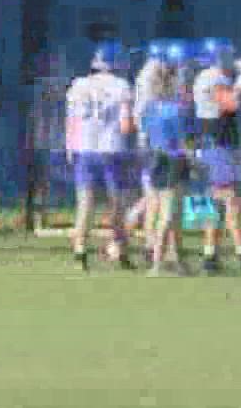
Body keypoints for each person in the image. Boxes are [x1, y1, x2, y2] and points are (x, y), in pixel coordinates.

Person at [65, 41, 137, 271]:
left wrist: (70, 146)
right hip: (112, 148)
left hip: (84, 148)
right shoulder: (121, 86)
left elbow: (72, 120)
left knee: (85, 204)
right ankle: (120, 252)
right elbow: (125, 124)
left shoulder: (79, 84)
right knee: (118, 205)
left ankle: (80, 253)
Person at [189, 37, 241, 274]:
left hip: (212, 142)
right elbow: (230, 104)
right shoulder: (211, 77)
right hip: (216, 144)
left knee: (213, 202)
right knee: (229, 199)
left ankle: (210, 254)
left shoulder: (205, 77)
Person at [141, 49, 194, 276]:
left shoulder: (149, 108)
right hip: (174, 160)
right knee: (170, 214)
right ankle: (157, 263)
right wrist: (194, 161)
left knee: (160, 211)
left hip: (155, 158)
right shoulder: (178, 110)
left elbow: (147, 134)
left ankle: (175, 260)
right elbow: (183, 141)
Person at [124, 40, 173, 237]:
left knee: (153, 195)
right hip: (152, 143)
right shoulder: (151, 76)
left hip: (152, 141)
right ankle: (140, 241)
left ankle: (133, 229)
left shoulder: (150, 75)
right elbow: (146, 115)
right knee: (155, 196)